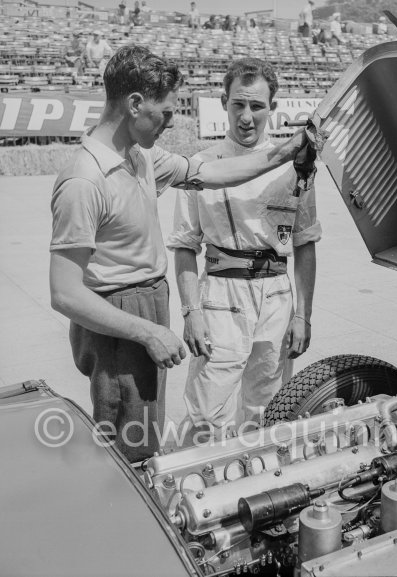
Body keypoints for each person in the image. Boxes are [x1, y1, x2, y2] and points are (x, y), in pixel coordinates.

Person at [49, 45, 309, 463]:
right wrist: (150, 331)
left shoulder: (141, 158)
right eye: (166, 113)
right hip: (118, 319)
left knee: (147, 434)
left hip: (147, 306)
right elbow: (64, 294)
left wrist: (285, 152)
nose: (172, 123)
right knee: (126, 442)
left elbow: (212, 172)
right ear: (135, 104)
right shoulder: (85, 180)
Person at [167, 58, 321, 441]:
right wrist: (191, 312)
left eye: (256, 105)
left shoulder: (296, 167)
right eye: (238, 104)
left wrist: (303, 315)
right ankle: (195, 486)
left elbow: (305, 244)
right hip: (220, 297)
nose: (247, 116)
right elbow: (185, 246)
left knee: (267, 409)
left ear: (272, 106)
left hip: (276, 299)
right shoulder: (202, 165)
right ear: (223, 102)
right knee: (206, 411)